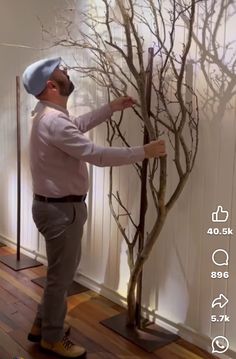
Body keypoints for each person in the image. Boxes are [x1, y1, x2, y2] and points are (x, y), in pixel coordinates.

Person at [22, 57, 166, 358]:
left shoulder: (47, 115)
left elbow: (77, 125)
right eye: (61, 71)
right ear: (51, 84)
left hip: (56, 208)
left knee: (58, 275)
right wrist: (144, 152)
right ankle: (51, 337)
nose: (67, 73)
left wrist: (110, 109)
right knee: (61, 278)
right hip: (62, 212)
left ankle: (41, 325)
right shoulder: (52, 120)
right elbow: (94, 154)